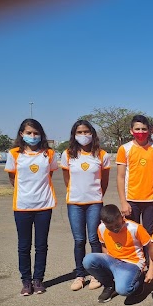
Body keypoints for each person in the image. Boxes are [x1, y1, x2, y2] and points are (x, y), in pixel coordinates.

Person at [5, 118, 58, 296]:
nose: (33, 136)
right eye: (29, 133)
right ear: (22, 134)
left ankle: (38, 280)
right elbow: (13, 178)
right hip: (22, 206)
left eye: (36, 133)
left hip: (44, 205)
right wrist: (26, 193)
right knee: (24, 246)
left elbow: (49, 174)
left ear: (41, 134)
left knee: (41, 245)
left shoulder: (49, 153)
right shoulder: (14, 154)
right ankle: (26, 281)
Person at [60, 119, 111, 291]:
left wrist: (95, 194)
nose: (83, 135)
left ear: (92, 134)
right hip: (74, 202)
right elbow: (67, 179)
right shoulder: (67, 154)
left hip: (94, 203)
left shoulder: (102, 155)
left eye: (86, 132)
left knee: (94, 239)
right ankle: (80, 275)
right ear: (74, 135)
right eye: (79, 132)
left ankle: (97, 275)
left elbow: (104, 181)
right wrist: (76, 192)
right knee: (79, 240)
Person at [82, 204, 151, 303]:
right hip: (113, 260)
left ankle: (139, 279)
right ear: (104, 223)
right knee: (88, 260)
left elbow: (151, 248)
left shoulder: (135, 228)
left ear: (122, 217)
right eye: (110, 227)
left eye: (117, 225)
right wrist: (108, 265)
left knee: (124, 290)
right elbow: (104, 245)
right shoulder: (101, 228)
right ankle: (109, 285)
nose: (114, 229)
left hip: (132, 263)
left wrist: (151, 269)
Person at [116, 114, 153, 236]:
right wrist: (123, 202)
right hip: (132, 199)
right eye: (137, 129)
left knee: (149, 233)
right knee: (132, 233)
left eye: (144, 129)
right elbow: (120, 177)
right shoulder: (124, 149)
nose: (141, 132)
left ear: (148, 131)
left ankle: (147, 256)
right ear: (131, 131)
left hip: (151, 199)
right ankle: (135, 256)